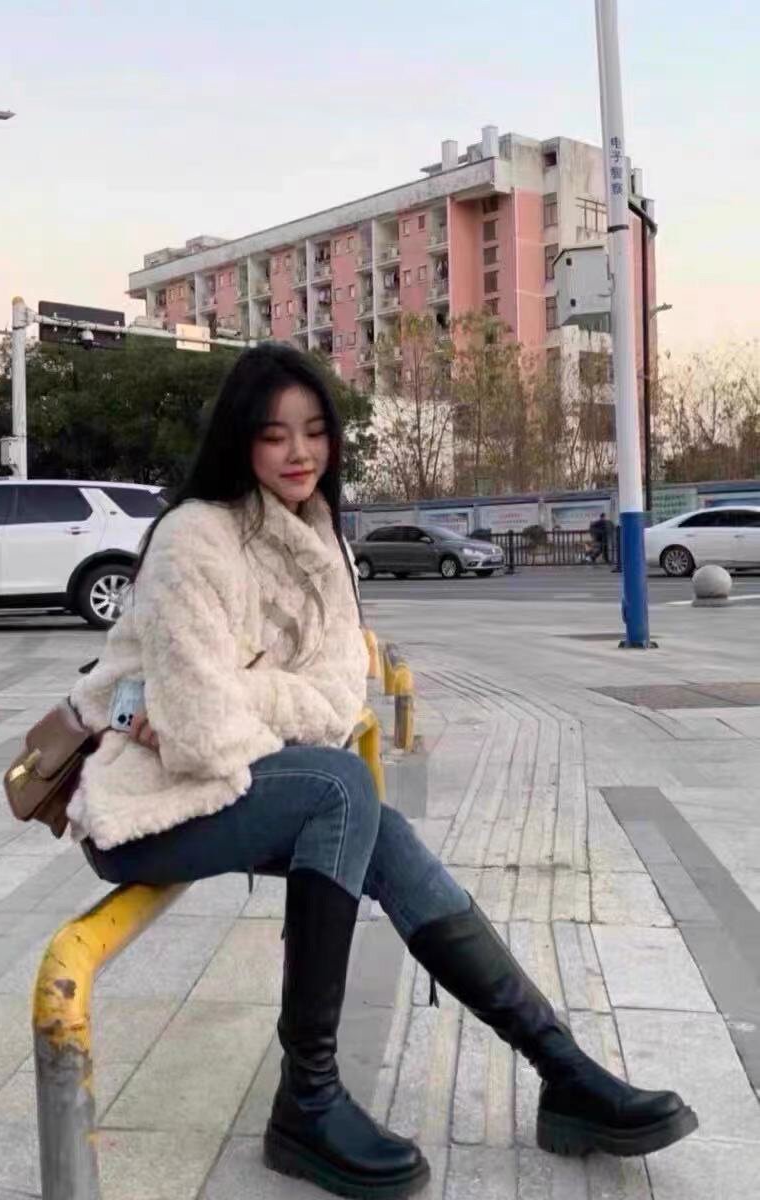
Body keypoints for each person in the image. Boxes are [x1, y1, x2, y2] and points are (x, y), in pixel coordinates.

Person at [69, 345, 696, 1199]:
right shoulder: (192, 539)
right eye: (274, 435)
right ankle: (308, 1100)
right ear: (239, 442)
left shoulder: (322, 538)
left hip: (241, 782)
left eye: (315, 432)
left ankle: (563, 1073)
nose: (299, 453)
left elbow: (335, 700)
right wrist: (236, 704)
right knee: (339, 787)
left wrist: (239, 686)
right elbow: (204, 734)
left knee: (371, 821)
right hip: (145, 805)